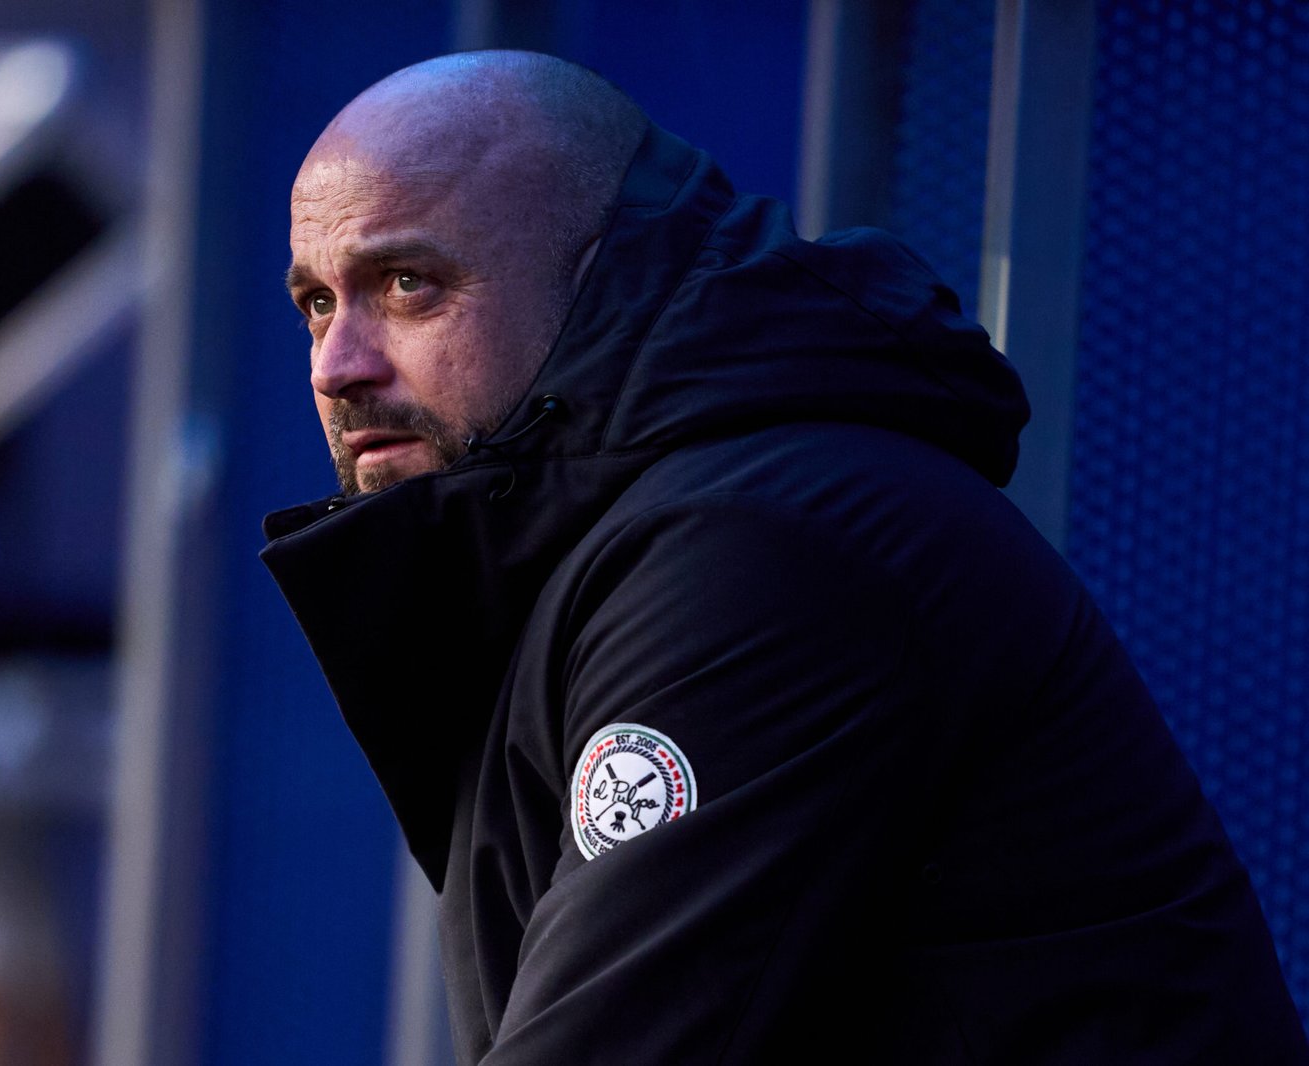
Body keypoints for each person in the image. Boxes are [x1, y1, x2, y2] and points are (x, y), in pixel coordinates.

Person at [262, 51, 1308, 1064]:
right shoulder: (606, 545)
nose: (337, 365)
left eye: (406, 283)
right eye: (317, 302)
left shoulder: (757, 549)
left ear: (594, 273)